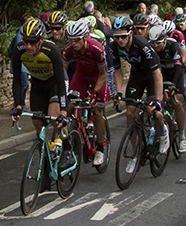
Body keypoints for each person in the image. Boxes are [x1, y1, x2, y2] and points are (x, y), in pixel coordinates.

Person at [110, 15, 168, 167]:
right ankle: (134, 149)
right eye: (116, 38)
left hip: (151, 75)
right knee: (130, 112)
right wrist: (118, 93)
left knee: (152, 109)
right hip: (136, 76)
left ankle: (163, 131)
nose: (119, 41)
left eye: (123, 37)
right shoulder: (114, 47)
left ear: (130, 33)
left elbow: (157, 74)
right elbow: (117, 71)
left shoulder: (141, 44)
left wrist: (158, 100)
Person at [9, 17, 69, 146]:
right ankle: (46, 156)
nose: (28, 46)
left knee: (54, 116)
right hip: (38, 84)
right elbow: (17, 80)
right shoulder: (19, 51)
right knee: (37, 123)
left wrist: (63, 110)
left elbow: (60, 81)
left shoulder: (52, 50)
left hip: (55, 83)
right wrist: (18, 104)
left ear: (41, 40)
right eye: (26, 41)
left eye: (33, 42)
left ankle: (68, 145)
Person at [62, 18, 111, 165]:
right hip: (81, 76)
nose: (73, 43)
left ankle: (100, 148)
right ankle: (69, 141)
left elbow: (104, 73)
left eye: (76, 40)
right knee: (69, 106)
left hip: (97, 77)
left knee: (97, 111)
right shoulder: (69, 49)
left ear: (85, 37)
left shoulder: (96, 48)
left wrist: (94, 92)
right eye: (71, 40)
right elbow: (63, 71)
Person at [148, 23, 186, 152]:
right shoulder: (151, 48)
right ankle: (161, 128)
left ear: (164, 40)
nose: (156, 46)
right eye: (153, 43)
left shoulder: (173, 45)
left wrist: (174, 86)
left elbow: (179, 67)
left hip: (175, 73)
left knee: (177, 101)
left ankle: (182, 136)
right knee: (156, 101)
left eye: (158, 43)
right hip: (161, 73)